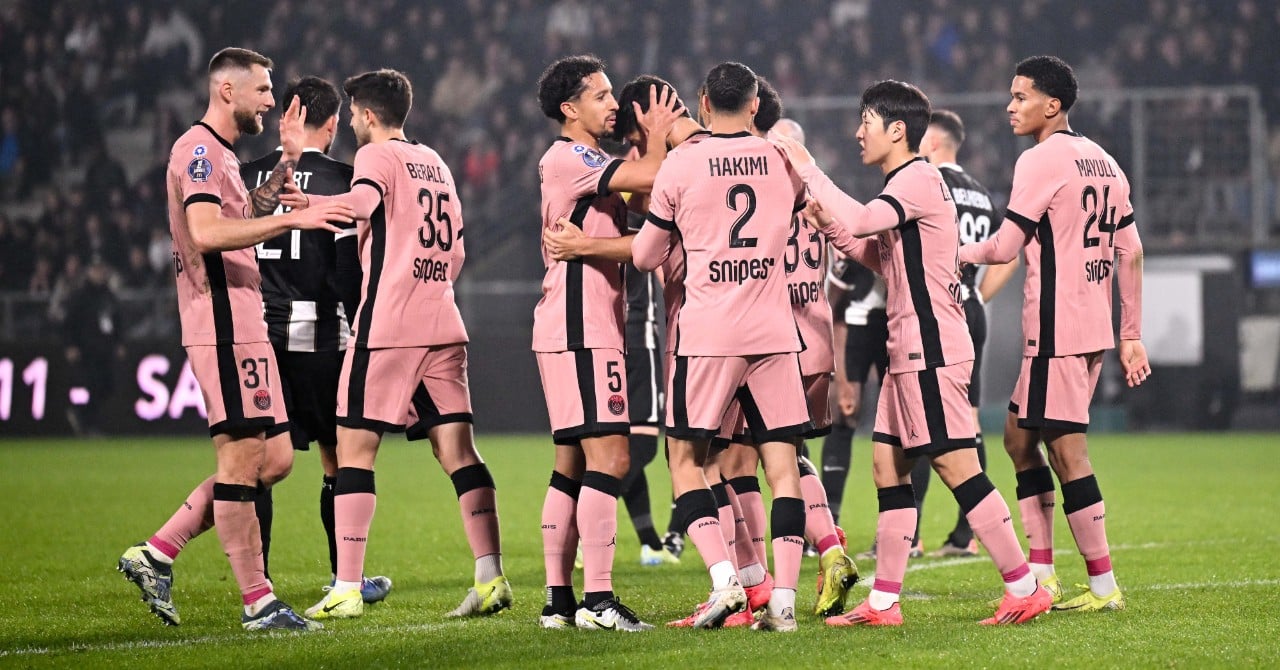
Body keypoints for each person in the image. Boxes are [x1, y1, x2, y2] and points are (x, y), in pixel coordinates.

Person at [776, 79, 1052, 627]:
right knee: (888, 467)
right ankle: (884, 603)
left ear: (897, 130)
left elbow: (861, 221)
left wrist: (808, 168)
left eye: (866, 122)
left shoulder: (918, 179)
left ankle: (1024, 587)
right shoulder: (907, 183)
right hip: (906, 349)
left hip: (931, 348)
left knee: (956, 465)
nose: (858, 133)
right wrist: (827, 223)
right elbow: (875, 255)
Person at [117, 47, 354, 631]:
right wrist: (291, 219)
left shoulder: (223, 154)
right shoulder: (198, 150)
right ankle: (258, 601)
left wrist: (285, 168)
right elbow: (205, 231)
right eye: (264, 90)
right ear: (228, 91)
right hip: (222, 325)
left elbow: (242, 216)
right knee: (243, 459)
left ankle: (157, 552)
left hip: (247, 325)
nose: (271, 101)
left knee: (275, 458)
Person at [297, 68, 511, 620]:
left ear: (368, 115)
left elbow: (358, 206)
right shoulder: (435, 162)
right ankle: (491, 577)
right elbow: (457, 250)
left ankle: (347, 587)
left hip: (388, 326)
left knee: (353, 450)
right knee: (460, 453)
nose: (350, 123)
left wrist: (303, 206)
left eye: (353, 114)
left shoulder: (375, 155)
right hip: (443, 321)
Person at [958, 55, 1150, 612]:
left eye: (1021, 97)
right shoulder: (1106, 163)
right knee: (1019, 441)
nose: (1010, 106)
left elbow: (1004, 248)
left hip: (1057, 331)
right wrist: (1129, 333)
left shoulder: (1040, 160)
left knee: (1068, 456)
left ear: (1053, 105)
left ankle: (1103, 586)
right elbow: (1132, 252)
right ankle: (1043, 575)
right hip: (1087, 331)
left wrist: (955, 251)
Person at [631, 61, 812, 632]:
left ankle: (725, 582)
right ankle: (783, 603)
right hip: (774, 332)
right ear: (756, 105)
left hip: (709, 334)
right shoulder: (781, 157)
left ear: (704, 103)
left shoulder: (682, 163)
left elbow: (644, 256)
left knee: (685, 460)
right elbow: (798, 210)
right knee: (782, 469)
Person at [532, 54, 682, 632]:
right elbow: (653, 179)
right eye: (600, 95)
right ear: (569, 109)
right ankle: (598, 600)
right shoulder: (571, 157)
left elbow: (642, 223)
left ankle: (558, 602)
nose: (613, 104)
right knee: (613, 459)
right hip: (582, 329)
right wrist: (660, 136)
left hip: (577, 327)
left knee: (569, 466)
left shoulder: (590, 163)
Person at [239, 75, 392, 605]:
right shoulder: (345, 180)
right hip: (323, 337)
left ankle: (259, 583)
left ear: (286, 116)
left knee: (259, 463)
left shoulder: (250, 176)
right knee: (340, 456)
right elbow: (350, 271)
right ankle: (344, 578)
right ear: (330, 125)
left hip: (259, 337)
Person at [913, 109, 1021, 558]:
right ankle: (964, 535)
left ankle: (909, 536)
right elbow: (1010, 255)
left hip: (938, 310)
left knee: (917, 416)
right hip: (971, 307)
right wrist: (977, 294)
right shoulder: (978, 191)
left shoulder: (927, 182)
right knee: (969, 419)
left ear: (934, 143)